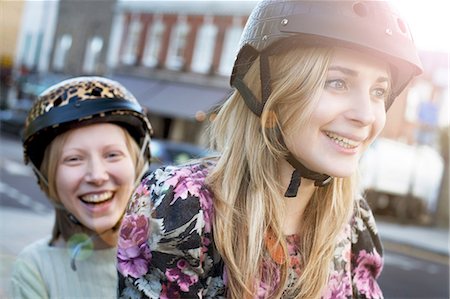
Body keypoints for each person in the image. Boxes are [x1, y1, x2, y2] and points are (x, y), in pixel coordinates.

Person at [116, 1, 422, 298]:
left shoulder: (353, 220)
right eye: (338, 83)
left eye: (378, 91)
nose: (366, 115)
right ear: (268, 91)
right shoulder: (180, 205)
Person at [9, 76, 153, 298]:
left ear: (138, 164)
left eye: (112, 155)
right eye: (74, 159)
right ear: (47, 177)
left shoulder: (172, 254)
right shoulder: (36, 269)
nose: (96, 176)